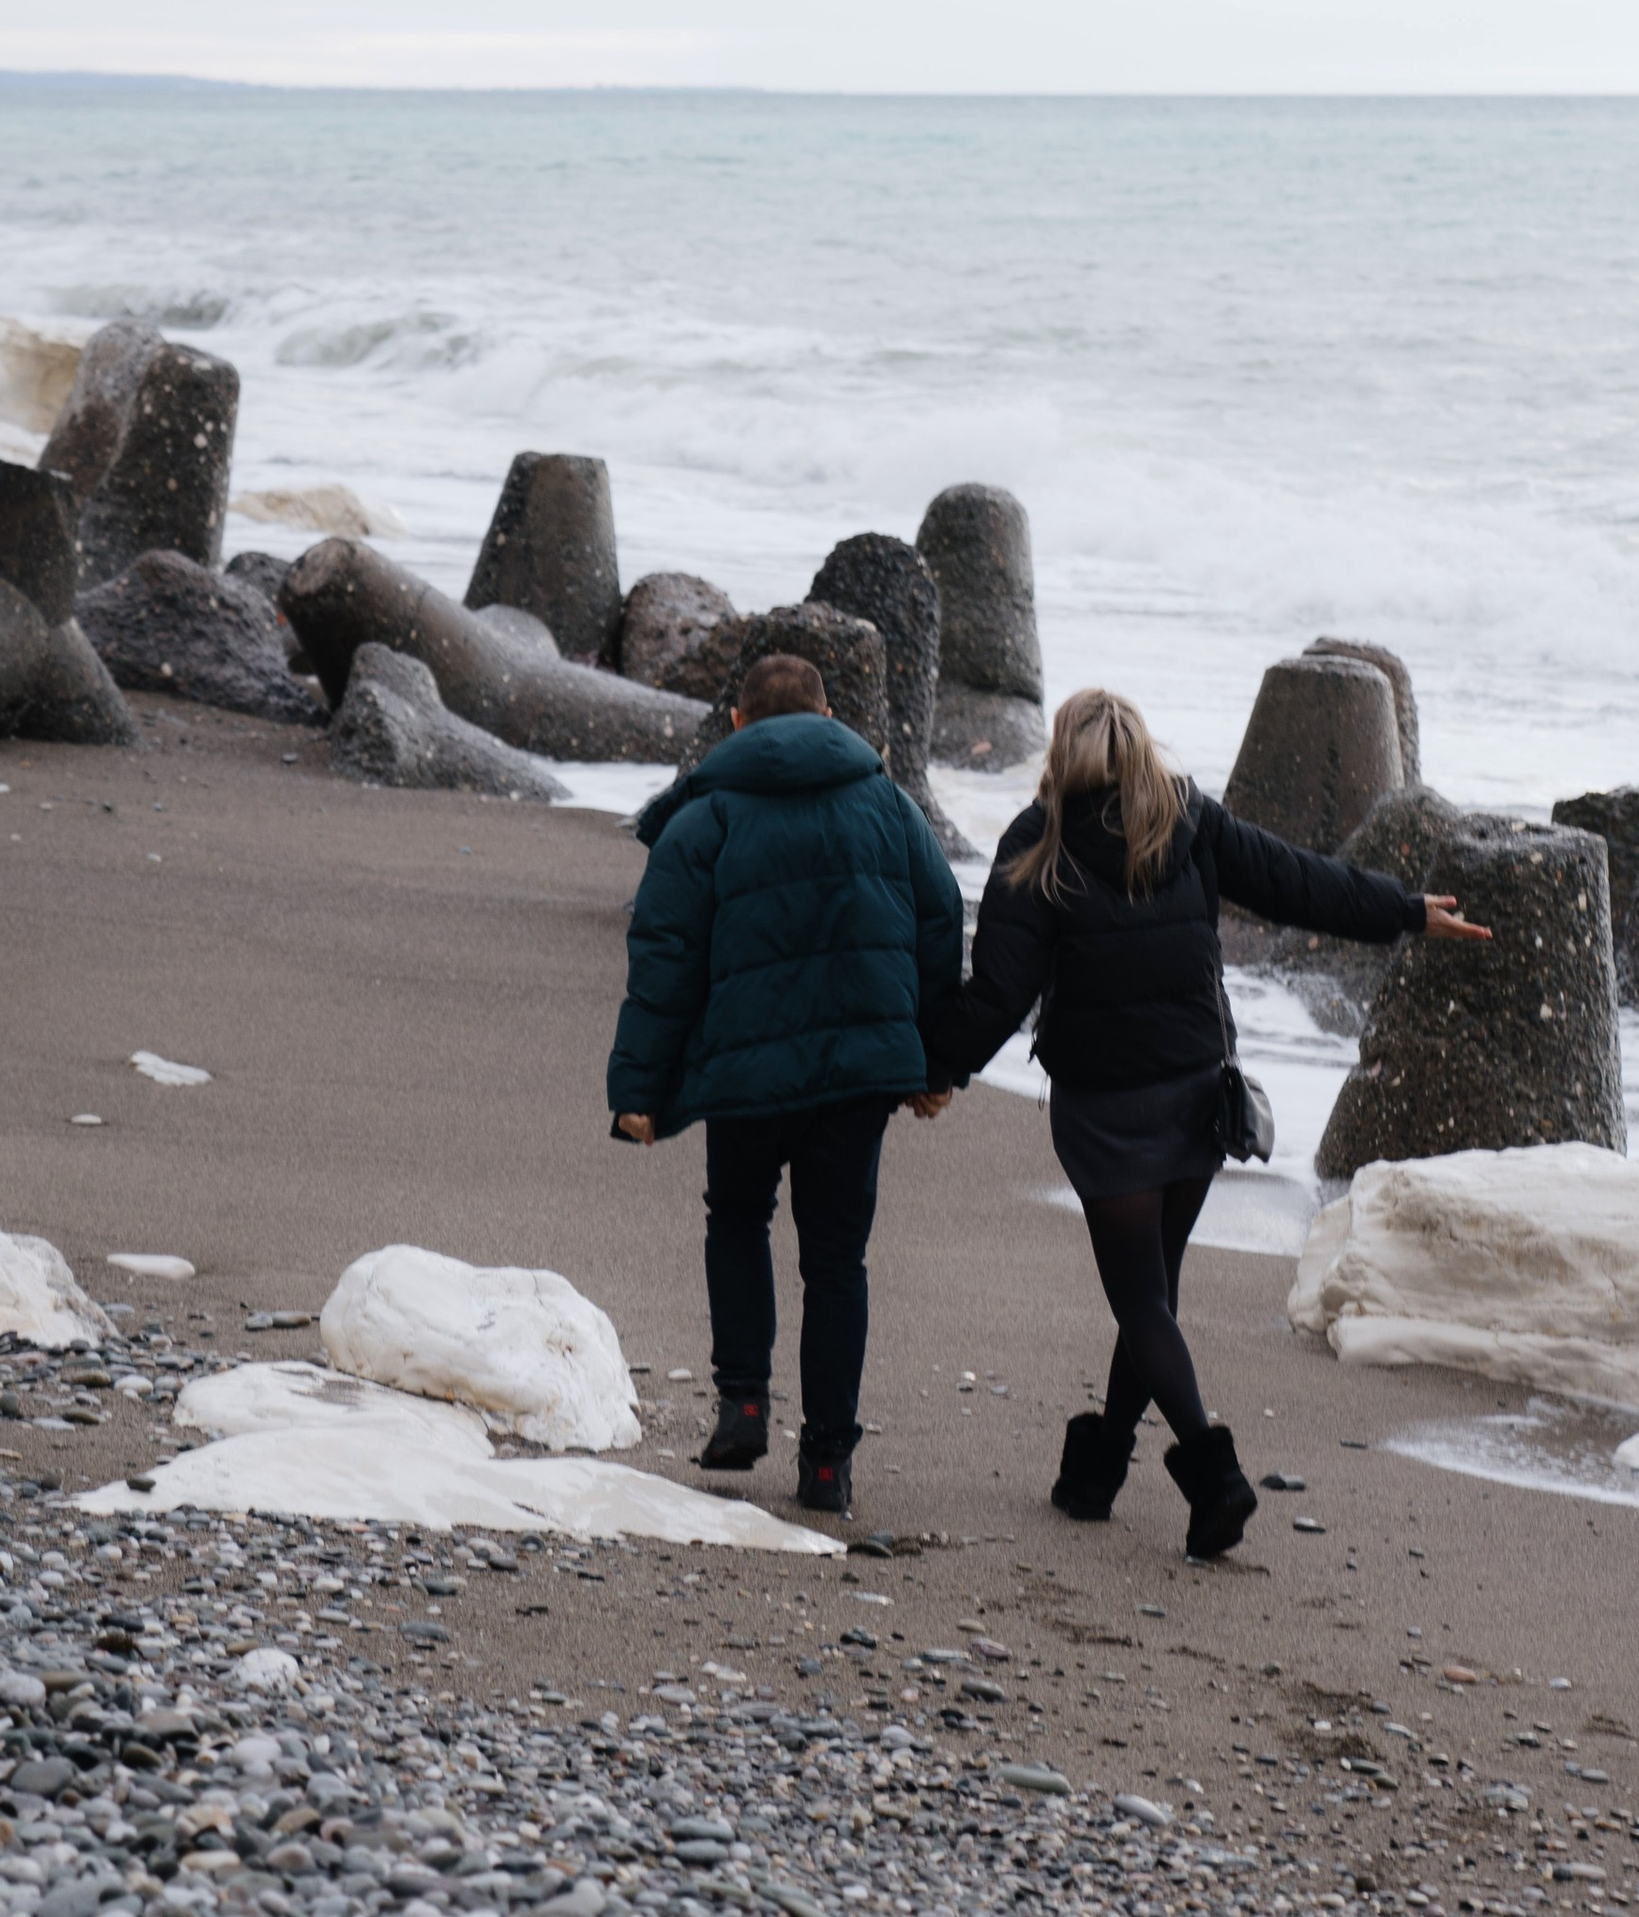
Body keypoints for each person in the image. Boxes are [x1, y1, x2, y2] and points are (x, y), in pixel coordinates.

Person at [924, 683, 1489, 1558]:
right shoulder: (1186, 819)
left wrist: (933, 1068)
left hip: (1108, 1110)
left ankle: (1213, 1471)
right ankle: (1098, 1467)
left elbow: (999, 991)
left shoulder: (1039, 843)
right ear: (1140, 750)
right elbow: (1300, 883)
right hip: (1194, 1091)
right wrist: (1405, 909)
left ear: (1063, 758)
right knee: (1153, 1294)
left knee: (1143, 1299)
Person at [608, 650, 962, 1518]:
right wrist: (933, 1061)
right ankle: (830, 1464)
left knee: (737, 1217)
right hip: (862, 1075)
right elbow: (942, 912)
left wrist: (639, 1090)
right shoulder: (886, 801)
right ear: (831, 714)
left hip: (746, 1072)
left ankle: (746, 1402)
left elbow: (665, 952)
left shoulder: (708, 814)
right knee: (837, 1260)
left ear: (737, 723)